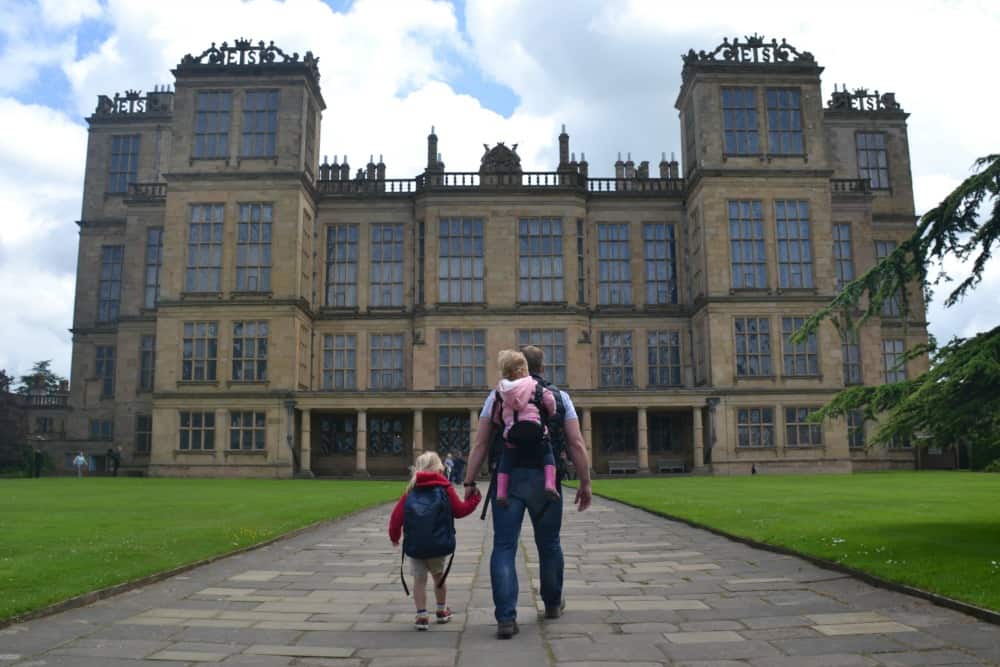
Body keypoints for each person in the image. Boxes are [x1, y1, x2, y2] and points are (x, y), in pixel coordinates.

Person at [463, 345, 592, 639]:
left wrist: (469, 480)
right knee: (549, 544)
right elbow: (576, 443)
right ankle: (552, 604)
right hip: (546, 478)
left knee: (504, 547)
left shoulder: (497, 395)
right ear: (543, 368)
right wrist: (585, 482)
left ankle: (506, 619)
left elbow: (481, 443)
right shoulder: (560, 396)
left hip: (508, 479)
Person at [389, 451, 481, 631]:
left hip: (415, 546)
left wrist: (395, 537)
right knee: (439, 578)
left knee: (419, 580)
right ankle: (441, 610)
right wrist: (475, 499)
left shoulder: (411, 490)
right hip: (438, 544)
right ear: (439, 467)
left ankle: (422, 615)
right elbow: (460, 510)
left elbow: (396, 517)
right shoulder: (445, 488)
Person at [491, 349, 558, 506]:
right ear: (524, 369)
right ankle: (549, 483)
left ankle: (501, 492)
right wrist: (551, 412)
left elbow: (496, 416)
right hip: (537, 432)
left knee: (506, 460)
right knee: (547, 453)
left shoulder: (501, 391)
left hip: (512, 434)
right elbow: (550, 401)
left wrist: (501, 423)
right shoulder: (536, 386)